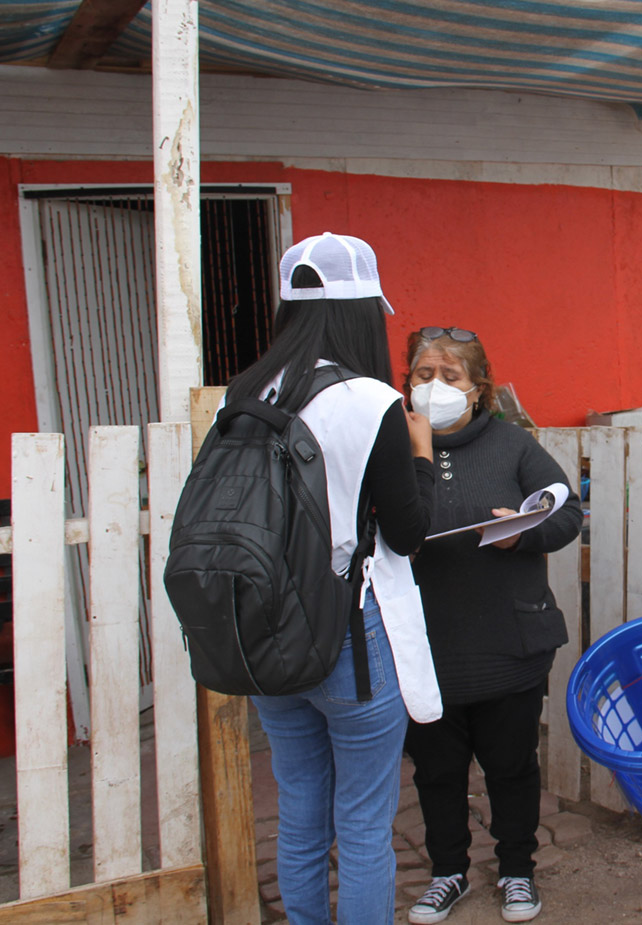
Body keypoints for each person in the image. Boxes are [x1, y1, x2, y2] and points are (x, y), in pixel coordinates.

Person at [237, 232, 439, 925]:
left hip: (267, 630)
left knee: (299, 808)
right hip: (349, 634)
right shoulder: (370, 401)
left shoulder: (248, 390)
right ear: (362, 312)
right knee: (361, 821)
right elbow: (407, 534)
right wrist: (421, 456)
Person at [401, 327, 583, 925]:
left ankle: (517, 871)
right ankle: (447, 873)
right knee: (437, 772)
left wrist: (520, 534)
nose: (434, 387)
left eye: (449, 376)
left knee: (511, 768)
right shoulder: (394, 447)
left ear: (478, 389)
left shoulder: (513, 445)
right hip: (426, 646)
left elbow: (566, 514)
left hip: (508, 643)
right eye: (423, 375)